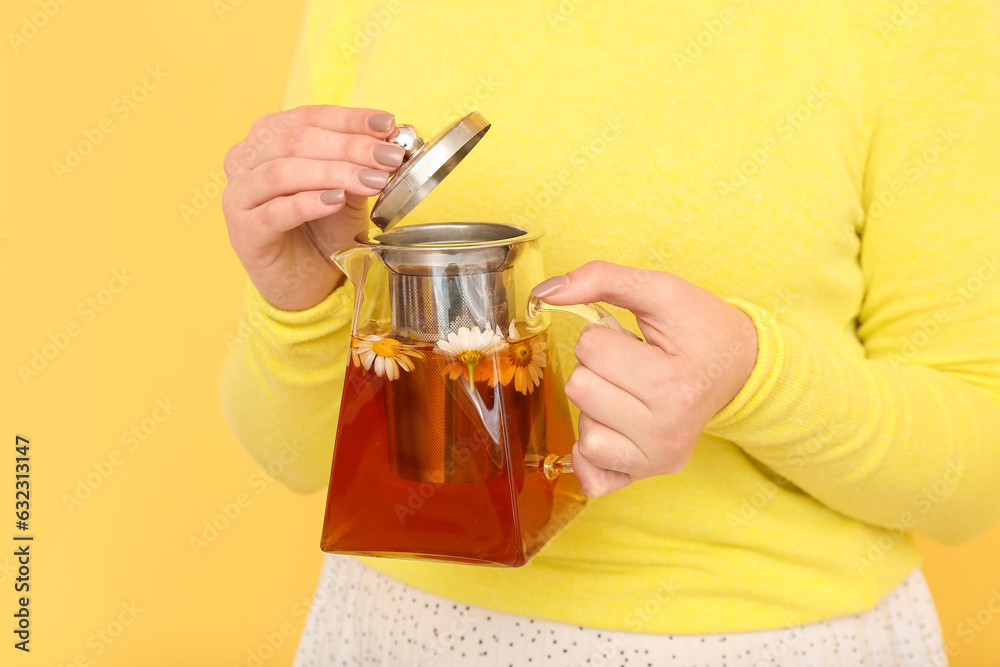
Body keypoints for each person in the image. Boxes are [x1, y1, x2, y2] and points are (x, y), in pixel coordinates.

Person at [219, 1, 1000, 665]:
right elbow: (291, 457)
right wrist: (300, 303)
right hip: (392, 630)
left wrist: (752, 379)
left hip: (752, 640)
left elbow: (973, 473)